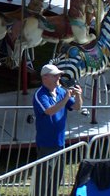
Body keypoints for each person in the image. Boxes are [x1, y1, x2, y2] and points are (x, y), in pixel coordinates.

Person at [33, 64, 83, 196]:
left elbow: (77, 107)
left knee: (56, 179)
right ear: (45, 77)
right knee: (43, 180)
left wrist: (78, 95)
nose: (59, 77)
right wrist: (66, 98)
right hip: (46, 144)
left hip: (60, 143)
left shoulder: (61, 92)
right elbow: (49, 111)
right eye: (55, 75)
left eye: (59, 75)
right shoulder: (40, 94)